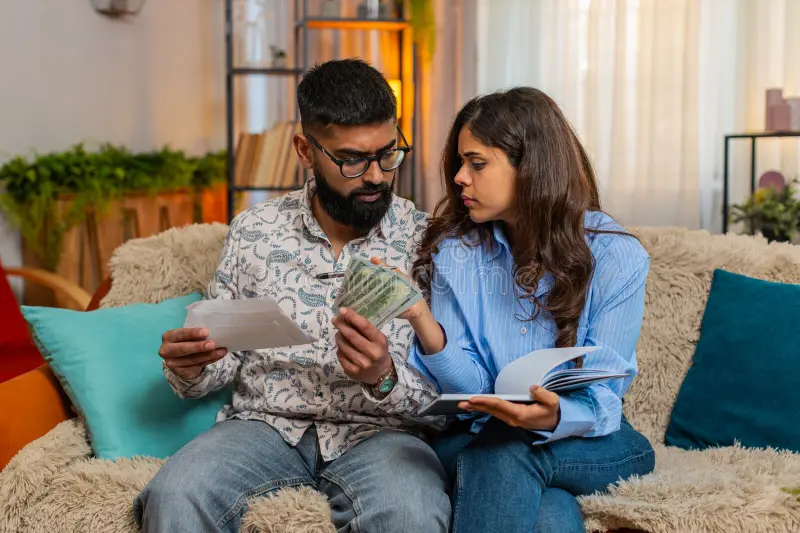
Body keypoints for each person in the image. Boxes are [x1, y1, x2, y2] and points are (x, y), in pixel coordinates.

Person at [133, 58, 451, 533]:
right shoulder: (254, 231)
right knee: (174, 493)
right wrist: (192, 364)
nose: (376, 176)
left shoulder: (427, 239)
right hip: (263, 427)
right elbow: (221, 364)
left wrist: (383, 377)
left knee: (411, 512)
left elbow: (452, 394)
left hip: (382, 436)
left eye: (388, 154)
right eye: (352, 159)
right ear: (305, 150)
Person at [396, 87, 657, 533]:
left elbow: (605, 395)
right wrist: (421, 317)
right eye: (460, 163)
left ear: (531, 167)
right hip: (478, 434)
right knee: (548, 510)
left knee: (510, 449)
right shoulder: (456, 252)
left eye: (477, 164)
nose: (459, 177)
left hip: (589, 436)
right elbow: (472, 388)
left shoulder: (616, 255)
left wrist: (555, 415)